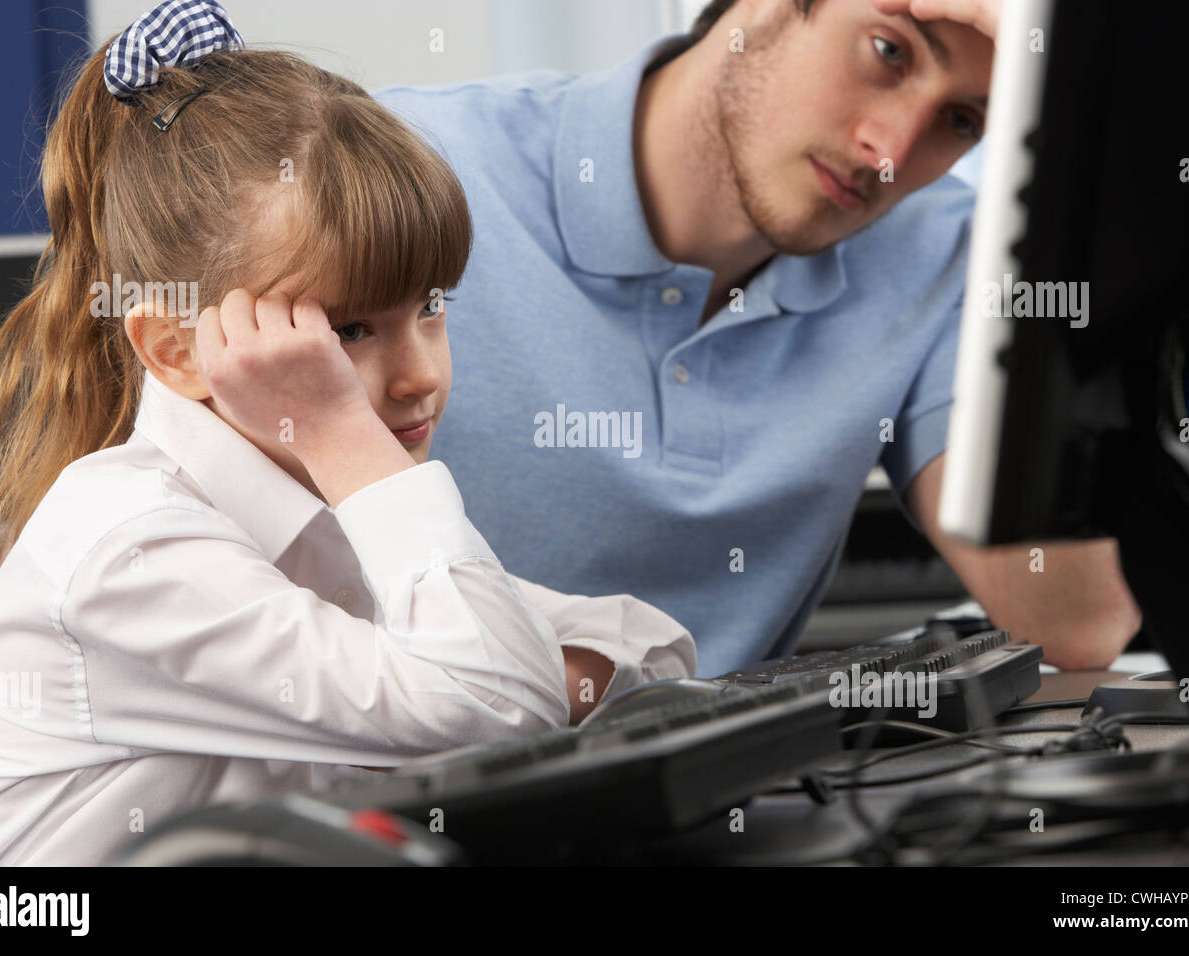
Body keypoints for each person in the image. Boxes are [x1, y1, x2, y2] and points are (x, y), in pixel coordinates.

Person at [0, 0, 694, 866]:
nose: (423, 376)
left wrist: (505, 681)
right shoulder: (131, 547)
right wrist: (342, 434)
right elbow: (502, 706)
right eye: (347, 332)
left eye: (432, 307)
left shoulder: (310, 501)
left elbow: (645, 640)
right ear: (180, 351)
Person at [371, 0, 1141, 677]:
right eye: (889, 52)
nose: (892, 151)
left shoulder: (939, 254)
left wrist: (1081, 145)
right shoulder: (405, 168)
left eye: (963, 120)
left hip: (723, 815)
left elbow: (1080, 623)